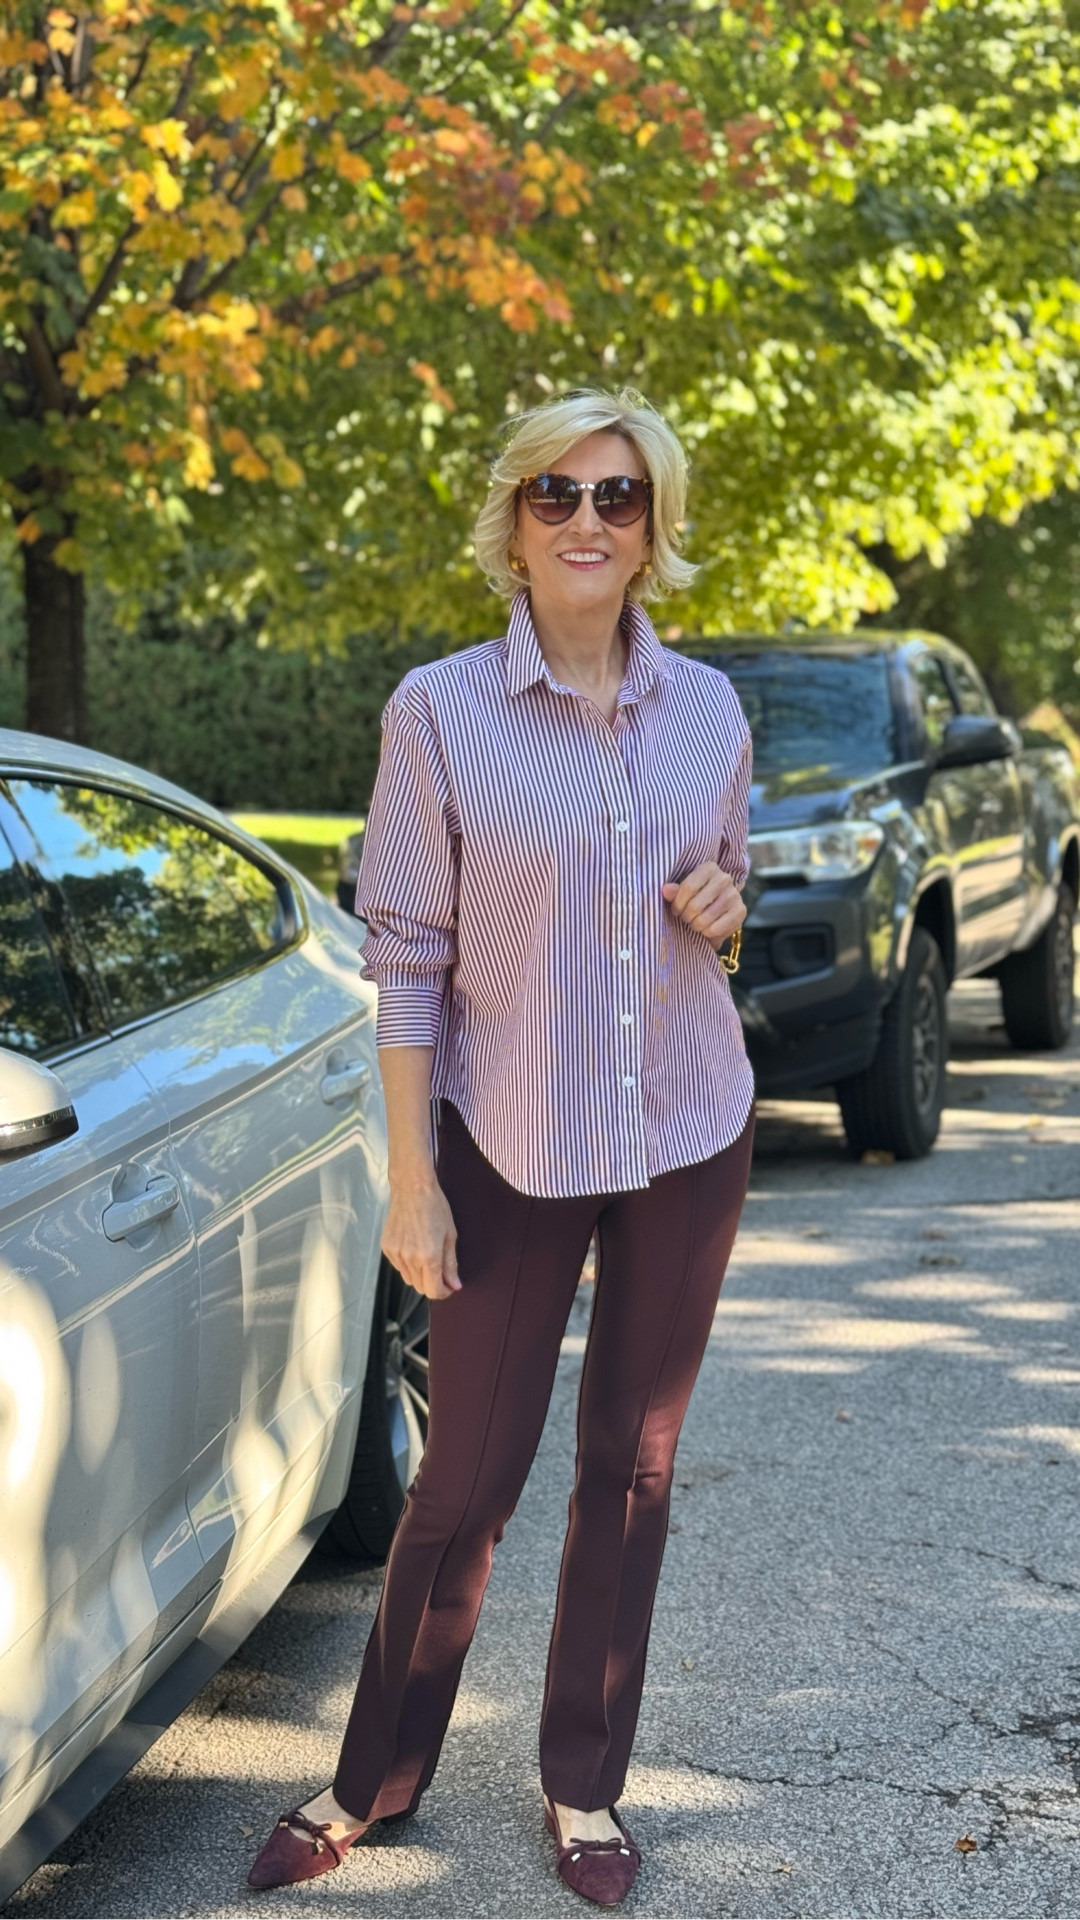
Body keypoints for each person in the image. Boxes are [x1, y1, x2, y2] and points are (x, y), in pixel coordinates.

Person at [247, 386, 755, 1906]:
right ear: (514, 524)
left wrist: (724, 908)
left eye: (619, 496)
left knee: (633, 1468)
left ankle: (584, 1783)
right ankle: (372, 1777)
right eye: (556, 493)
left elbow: (720, 900)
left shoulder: (710, 711)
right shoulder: (441, 712)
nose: (587, 520)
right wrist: (411, 1183)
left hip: (683, 1131)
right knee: (463, 1480)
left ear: (654, 528)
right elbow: (405, 960)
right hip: (505, 1142)